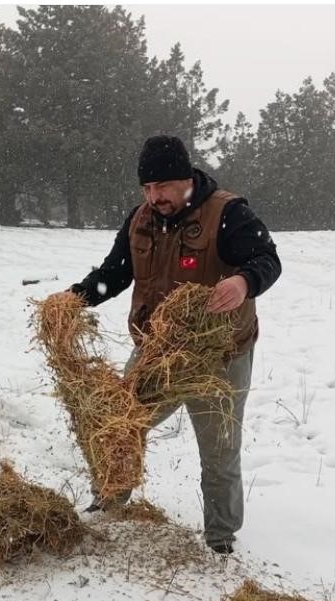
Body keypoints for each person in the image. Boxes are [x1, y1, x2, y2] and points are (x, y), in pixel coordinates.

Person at [68, 135, 282, 554]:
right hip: (156, 350)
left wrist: (243, 281)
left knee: (219, 450)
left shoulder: (227, 212)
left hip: (218, 355)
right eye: (147, 188)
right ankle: (109, 502)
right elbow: (115, 273)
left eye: (163, 187)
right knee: (119, 423)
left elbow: (267, 259)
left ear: (186, 179)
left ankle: (220, 537)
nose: (155, 197)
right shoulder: (139, 220)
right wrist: (75, 298)